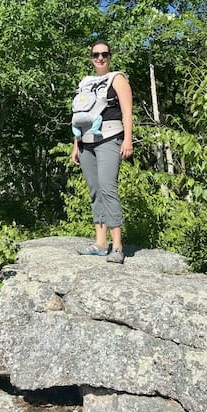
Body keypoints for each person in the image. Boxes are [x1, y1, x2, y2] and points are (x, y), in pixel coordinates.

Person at [71, 40, 133, 264]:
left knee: (108, 188)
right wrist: (75, 144)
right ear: (91, 57)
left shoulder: (118, 79)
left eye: (104, 54)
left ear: (110, 56)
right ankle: (100, 244)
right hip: (85, 141)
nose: (100, 58)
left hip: (110, 137)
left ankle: (117, 247)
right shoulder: (85, 83)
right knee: (95, 190)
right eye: (96, 54)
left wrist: (127, 139)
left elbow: (127, 112)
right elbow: (79, 115)